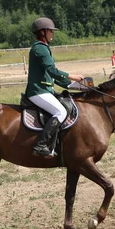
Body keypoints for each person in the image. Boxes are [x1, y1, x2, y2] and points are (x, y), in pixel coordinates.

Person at [25, 17, 85, 157]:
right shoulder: (40, 49)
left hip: (45, 90)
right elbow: (52, 71)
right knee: (61, 112)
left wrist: (72, 85)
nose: (52, 34)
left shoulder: (43, 48)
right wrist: (72, 76)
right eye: (51, 31)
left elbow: (50, 76)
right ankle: (41, 145)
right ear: (43, 32)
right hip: (38, 92)